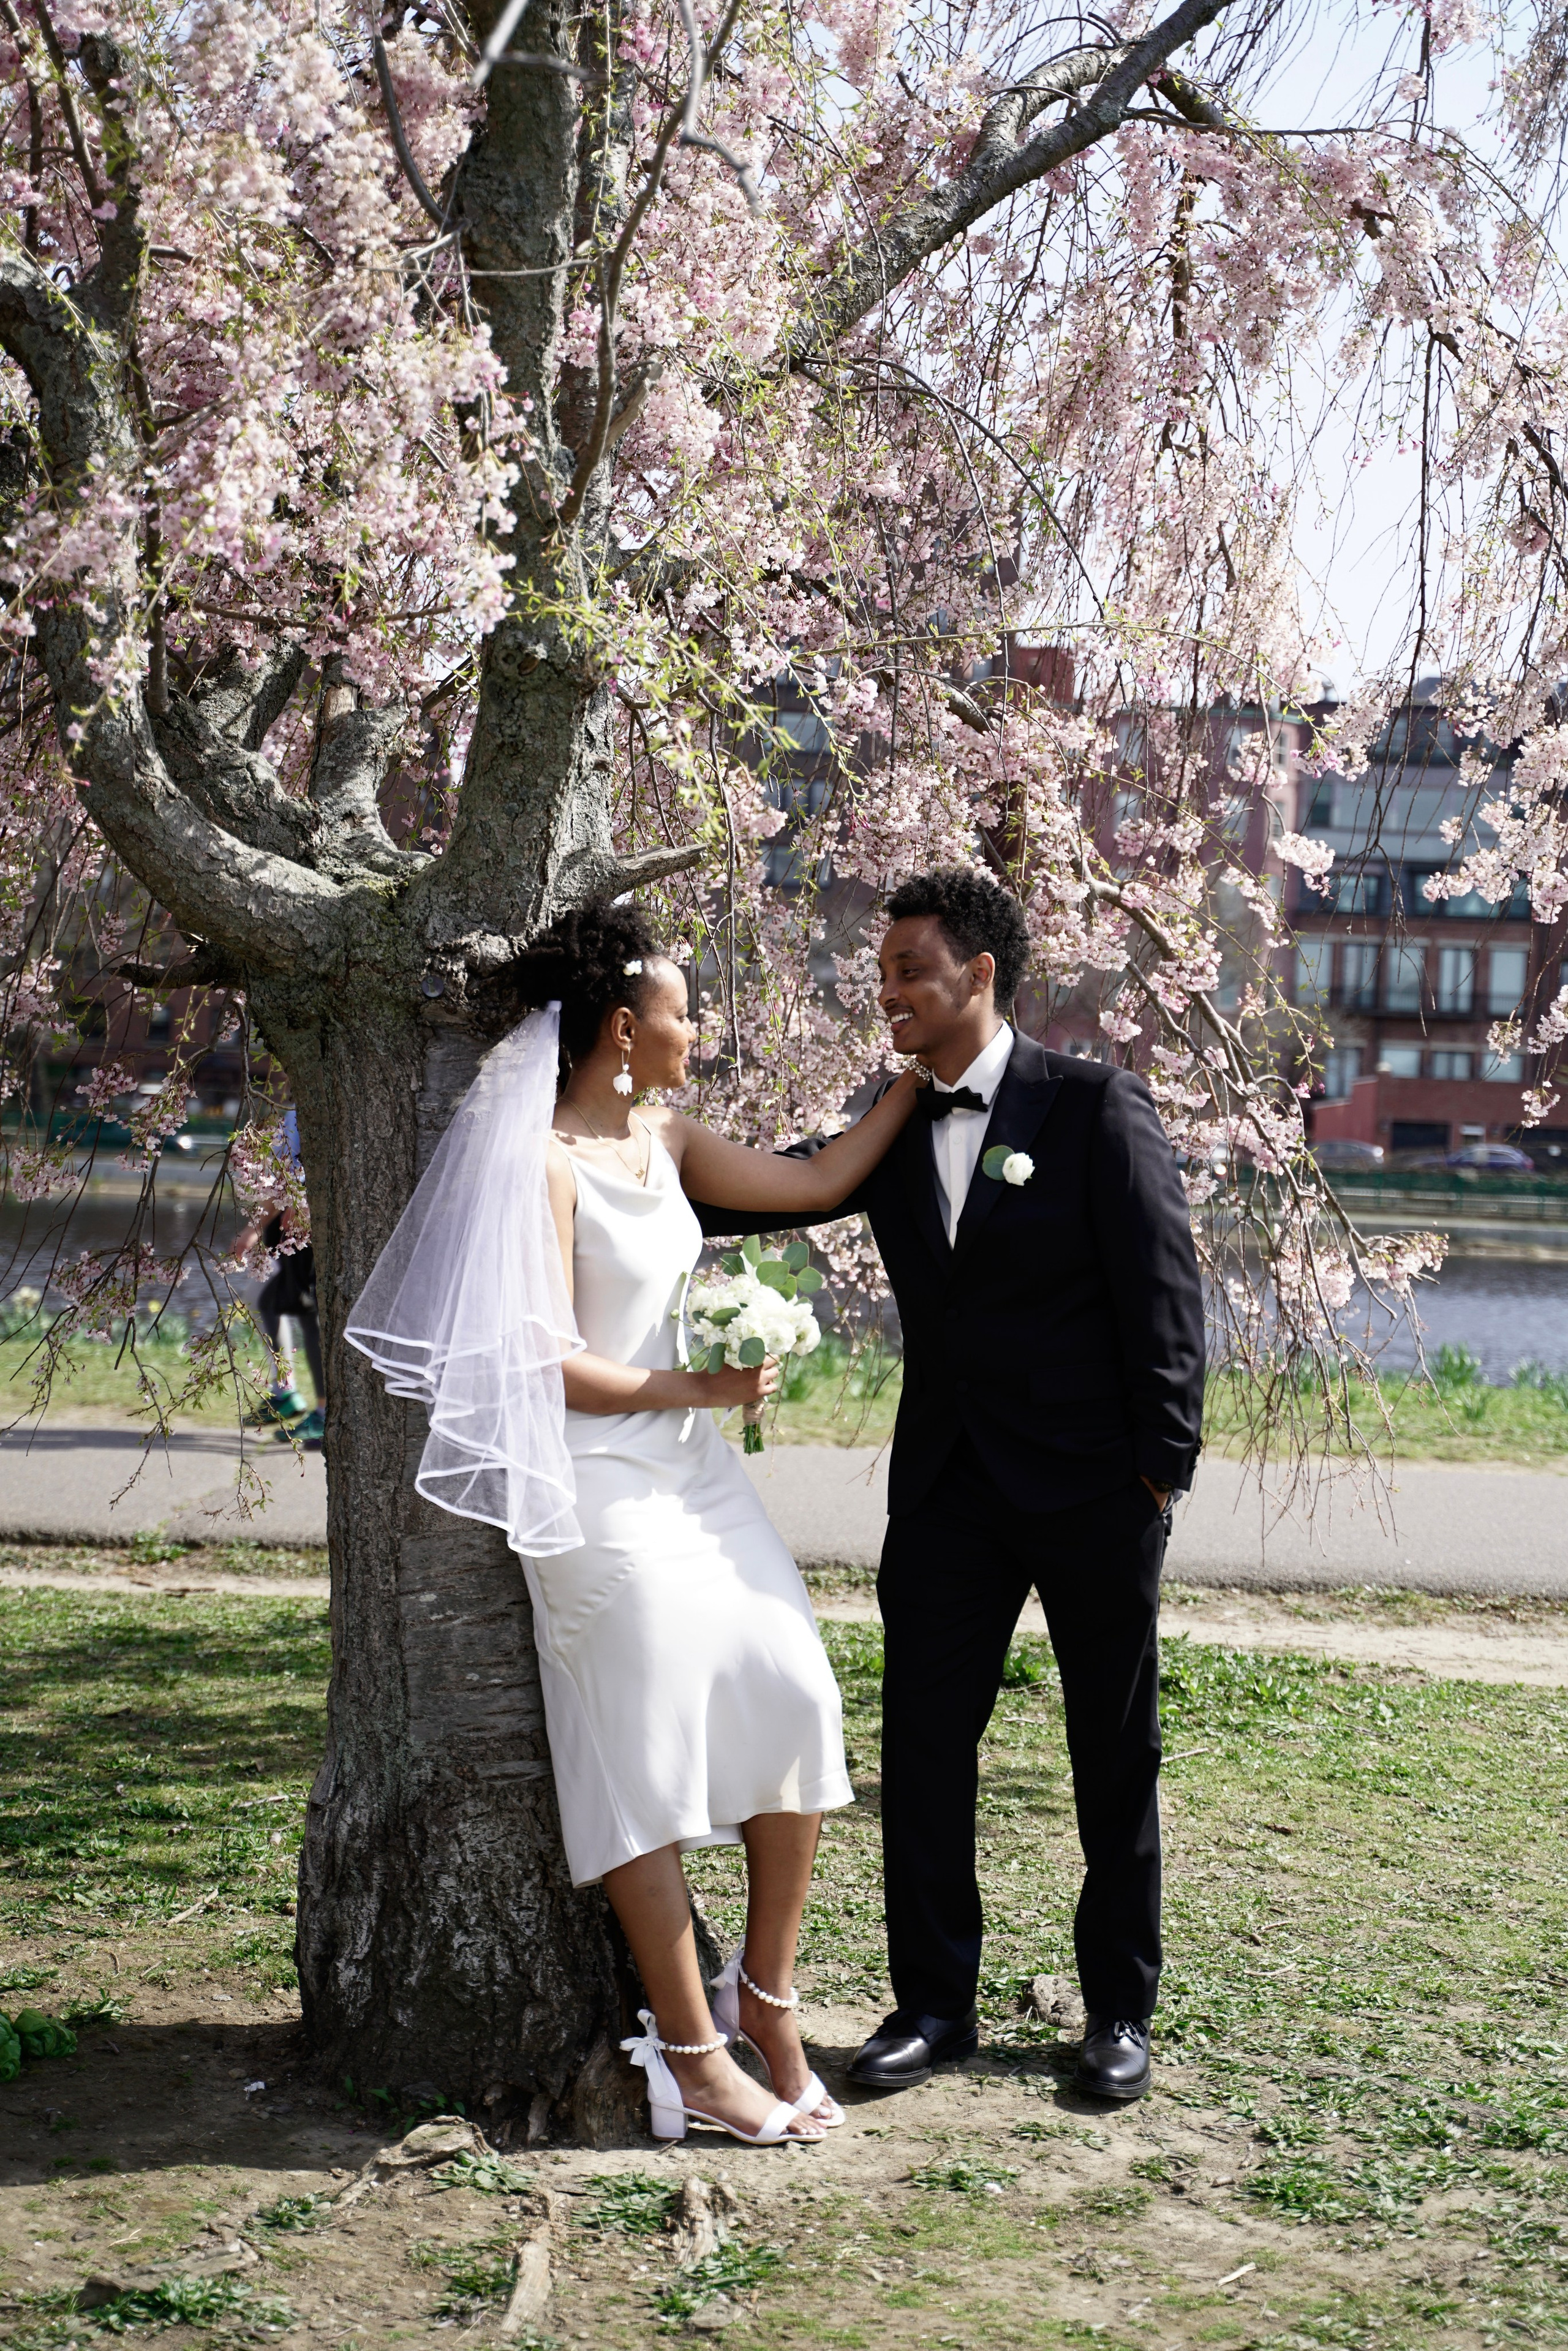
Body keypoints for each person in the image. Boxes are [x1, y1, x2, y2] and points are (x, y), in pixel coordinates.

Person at [347, 900, 922, 2146]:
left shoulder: (672, 1141)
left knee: (798, 1692)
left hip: (696, 1471)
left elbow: (820, 1180)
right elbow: (541, 1360)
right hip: (592, 1484)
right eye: (680, 1009)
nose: (696, 1028)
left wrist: (913, 1080)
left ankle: (765, 2001)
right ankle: (689, 2054)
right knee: (643, 1755)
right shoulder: (541, 1161)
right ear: (623, 1027)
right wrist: (693, 1384)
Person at [695, 867, 1206, 2104]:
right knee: (922, 1749)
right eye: (881, 976)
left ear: (978, 975)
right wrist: (614, 1139)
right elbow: (773, 1190)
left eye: (909, 973)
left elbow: (1165, 1299)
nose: (890, 996)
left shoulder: (1094, 1106)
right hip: (943, 1493)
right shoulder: (893, 1116)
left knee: (1110, 1749)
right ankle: (930, 2002)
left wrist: (1155, 1475)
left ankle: (1116, 2011)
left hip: (1093, 1489)